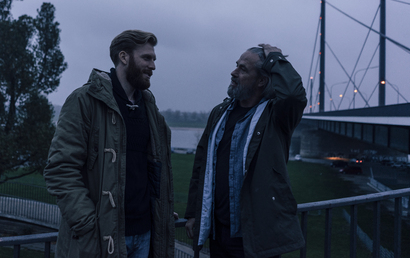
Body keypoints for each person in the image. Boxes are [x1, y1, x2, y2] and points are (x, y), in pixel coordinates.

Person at [44, 30, 175, 258]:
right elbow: (60, 169)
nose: (153, 66)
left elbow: (154, 169)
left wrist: (160, 210)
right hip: (103, 236)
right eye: (146, 58)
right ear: (123, 57)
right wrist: (87, 225)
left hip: (144, 235)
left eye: (154, 59)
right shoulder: (84, 101)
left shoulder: (149, 108)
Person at [185, 44, 306, 258]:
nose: (233, 73)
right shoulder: (220, 112)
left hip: (254, 238)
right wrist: (194, 213)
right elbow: (201, 164)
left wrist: (275, 58)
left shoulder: (275, 116)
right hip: (219, 233)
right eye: (236, 66)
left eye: (243, 69)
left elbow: (292, 96)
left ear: (261, 80)